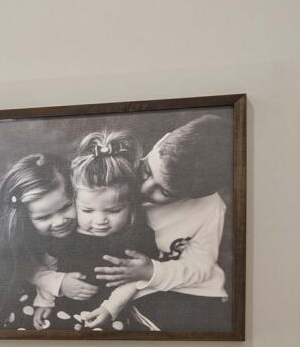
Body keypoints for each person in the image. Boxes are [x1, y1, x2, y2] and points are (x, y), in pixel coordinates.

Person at [77, 114, 233, 333]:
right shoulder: (116, 171)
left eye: (165, 192)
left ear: (195, 196)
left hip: (188, 291)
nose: (144, 189)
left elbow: (201, 267)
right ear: (161, 141)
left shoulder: (210, 208)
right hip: (116, 289)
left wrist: (151, 271)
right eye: (148, 171)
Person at [0, 153, 93, 328]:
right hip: (38, 293)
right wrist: (57, 282)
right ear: (24, 218)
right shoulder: (14, 237)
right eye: (43, 217)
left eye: (66, 207)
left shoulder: (94, 220)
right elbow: (21, 263)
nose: (59, 222)